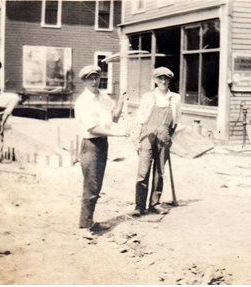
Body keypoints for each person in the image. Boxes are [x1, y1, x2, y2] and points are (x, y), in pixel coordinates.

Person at [75, 65, 128, 231]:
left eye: (96, 77)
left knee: (97, 186)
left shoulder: (103, 97)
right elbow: (93, 128)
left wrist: (121, 99)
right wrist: (118, 134)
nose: (94, 81)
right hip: (90, 145)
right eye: (90, 78)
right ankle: (84, 226)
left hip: (103, 144)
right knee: (90, 186)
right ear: (84, 80)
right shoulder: (83, 102)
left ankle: (90, 222)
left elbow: (114, 117)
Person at [132, 67, 181, 217]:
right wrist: (136, 139)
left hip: (164, 137)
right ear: (155, 80)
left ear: (169, 80)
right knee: (143, 172)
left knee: (160, 172)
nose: (163, 81)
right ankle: (139, 206)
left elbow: (176, 121)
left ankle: (154, 204)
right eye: (160, 78)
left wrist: (168, 137)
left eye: (166, 79)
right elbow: (140, 119)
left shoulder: (175, 98)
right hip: (147, 135)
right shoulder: (148, 97)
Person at [0, 92, 28, 162]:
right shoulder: (15, 99)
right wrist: (2, 125)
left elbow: (1, 110)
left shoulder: (10, 95)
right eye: (22, 101)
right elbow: (7, 113)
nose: (20, 103)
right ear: (21, 97)